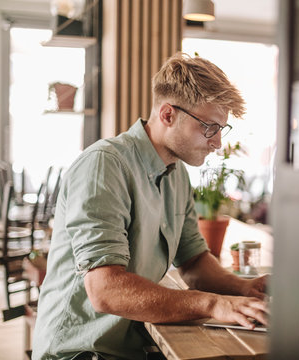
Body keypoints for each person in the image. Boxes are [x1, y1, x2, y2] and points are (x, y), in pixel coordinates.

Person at [32, 53, 269, 360]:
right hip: (81, 352)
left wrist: (244, 289)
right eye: (209, 127)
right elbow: (106, 291)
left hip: (130, 345)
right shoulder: (104, 165)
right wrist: (213, 304)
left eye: (222, 129)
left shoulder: (176, 173)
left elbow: (194, 261)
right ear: (168, 114)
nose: (217, 143)